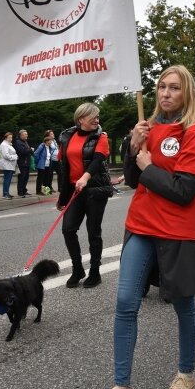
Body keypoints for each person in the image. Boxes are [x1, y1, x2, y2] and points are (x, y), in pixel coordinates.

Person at [89, 65, 195, 389]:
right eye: (161, 87)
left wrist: (148, 164)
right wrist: (134, 149)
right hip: (141, 226)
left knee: (182, 303)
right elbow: (131, 179)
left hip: (179, 230)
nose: (165, 93)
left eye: (174, 88)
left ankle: (186, 373)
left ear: (187, 93)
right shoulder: (149, 128)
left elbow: (185, 191)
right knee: (126, 303)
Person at [57, 103, 113, 289]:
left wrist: (85, 177)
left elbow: (98, 160)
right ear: (81, 119)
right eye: (93, 117)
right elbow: (64, 169)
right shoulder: (66, 137)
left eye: (98, 116)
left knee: (93, 232)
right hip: (74, 190)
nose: (97, 120)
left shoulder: (101, 136)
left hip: (94, 190)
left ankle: (95, 272)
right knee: (68, 229)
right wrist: (62, 198)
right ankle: (77, 269)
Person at [0, 132, 18, 199]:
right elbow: (6, 155)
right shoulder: (4, 145)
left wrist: (14, 156)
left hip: (10, 165)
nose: (11, 139)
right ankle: (5, 194)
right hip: (7, 164)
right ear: (6, 138)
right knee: (7, 179)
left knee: (8, 180)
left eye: (11, 137)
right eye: (9, 137)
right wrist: (15, 157)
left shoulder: (8, 144)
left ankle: (7, 193)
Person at [13, 129, 32, 197]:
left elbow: (26, 151)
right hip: (21, 163)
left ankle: (24, 190)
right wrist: (30, 149)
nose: (27, 135)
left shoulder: (25, 142)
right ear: (21, 135)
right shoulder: (18, 142)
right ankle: (20, 192)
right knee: (21, 178)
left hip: (27, 163)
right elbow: (22, 151)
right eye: (25, 134)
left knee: (26, 177)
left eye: (27, 134)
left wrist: (29, 150)